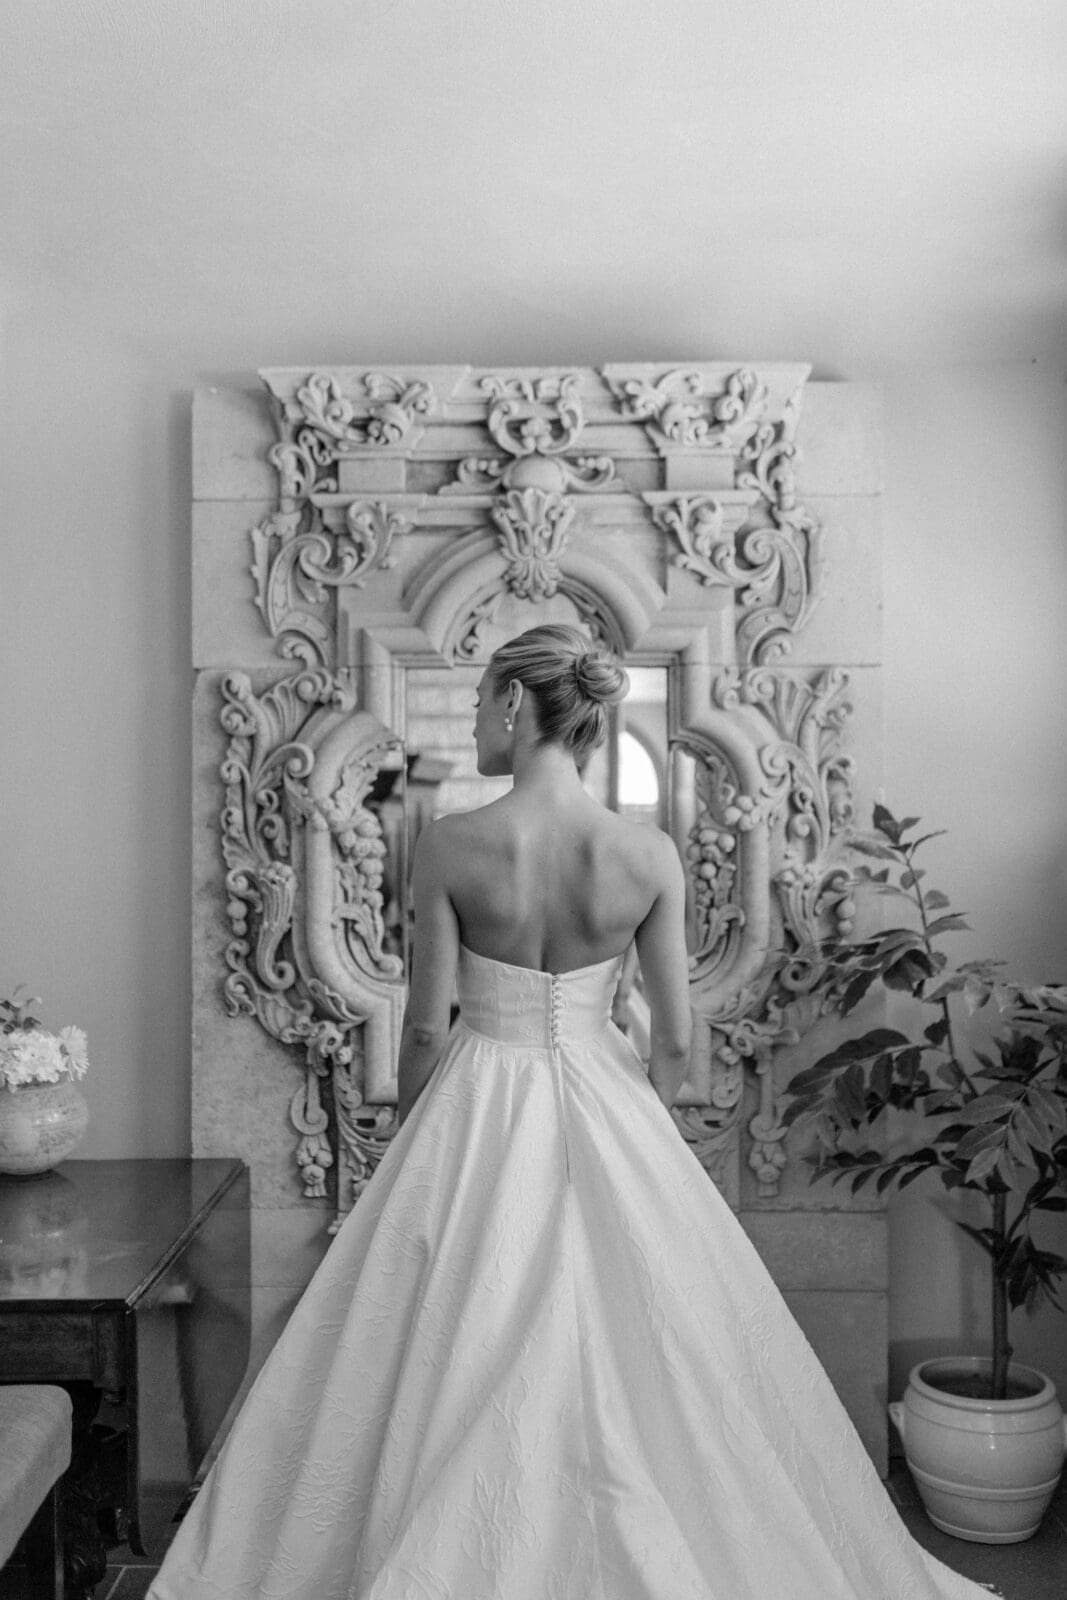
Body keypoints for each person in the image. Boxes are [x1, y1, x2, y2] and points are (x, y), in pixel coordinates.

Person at [148, 624, 998, 1600]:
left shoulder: (452, 843)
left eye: (478, 700)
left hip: (478, 1087)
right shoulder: (646, 852)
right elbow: (678, 1039)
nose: (473, 717)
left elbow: (425, 1027)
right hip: (609, 1087)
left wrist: (414, 1144)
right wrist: (639, 1107)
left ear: (514, 703)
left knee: (430, 1340)